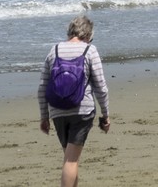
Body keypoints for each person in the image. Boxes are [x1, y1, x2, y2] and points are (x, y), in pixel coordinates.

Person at [38, 15, 110, 187]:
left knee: (70, 158)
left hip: (57, 110)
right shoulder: (90, 50)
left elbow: (42, 87)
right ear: (88, 34)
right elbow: (101, 86)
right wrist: (105, 114)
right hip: (82, 110)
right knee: (71, 160)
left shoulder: (53, 50)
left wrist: (44, 116)